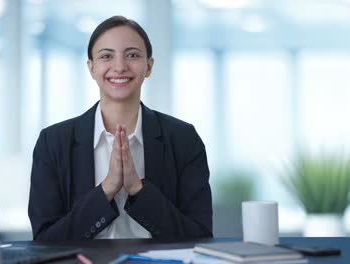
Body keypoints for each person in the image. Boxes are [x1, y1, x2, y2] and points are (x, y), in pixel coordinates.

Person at [28, 15, 212, 241]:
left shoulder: (183, 138)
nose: (119, 67)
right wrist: (106, 190)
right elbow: (45, 240)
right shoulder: (53, 142)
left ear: (149, 66)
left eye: (132, 55)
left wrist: (139, 190)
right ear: (91, 68)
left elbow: (200, 234)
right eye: (106, 56)